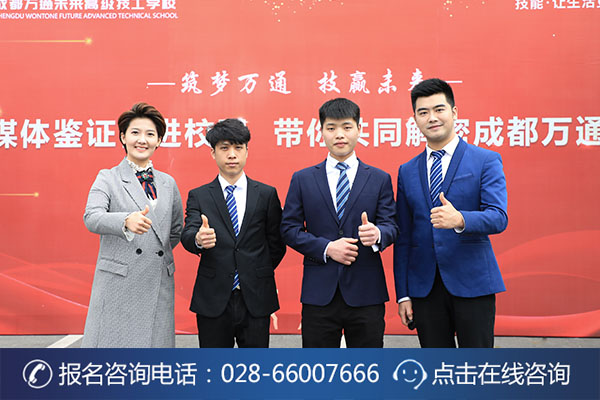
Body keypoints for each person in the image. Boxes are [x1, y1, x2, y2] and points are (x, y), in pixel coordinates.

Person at [394, 78, 508, 348]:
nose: (432, 118)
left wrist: (461, 220)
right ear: (415, 119)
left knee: (476, 367)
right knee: (437, 368)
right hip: (425, 288)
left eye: (439, 109)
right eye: (423, 112)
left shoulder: (485, 160)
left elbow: (498, 216)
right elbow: (403, 237)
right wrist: (403, 294)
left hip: (473, 282)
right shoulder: (407, 171)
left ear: (454, 112)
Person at [280, 98, 398, 348]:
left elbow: (392, 226)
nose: (339, 135)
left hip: (366, 292)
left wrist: (377, 234)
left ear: (359, 129)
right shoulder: (303, 179)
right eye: (331, 128)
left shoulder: (379, 179)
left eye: (347, 127)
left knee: (368, 367)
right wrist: (326, 248)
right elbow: (288, 229)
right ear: (321, 131)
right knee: (318, 368)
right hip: (319, 294)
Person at [82, 103, 183, 348]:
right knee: (113, 358)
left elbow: (175, 230)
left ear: (159, 141)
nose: (142, 140)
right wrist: (125, 221)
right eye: (135, 132)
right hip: (119, 281)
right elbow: (92, 217)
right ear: (123, 137)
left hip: (157, 279)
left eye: (150, 134)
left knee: (154, 359)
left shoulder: (168, 183)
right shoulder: (108, 177)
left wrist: (151, 250)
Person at [181, 118, 286, 348]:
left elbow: (276, 243)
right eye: (224, 148)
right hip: (213, 298)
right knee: (214, 366)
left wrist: (255, 270)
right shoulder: (199, 195)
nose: (232, 155)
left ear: (247, 151)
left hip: (256, 296)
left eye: (238, 148)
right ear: (213, 153)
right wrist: (198, 239)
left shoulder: (266, 194)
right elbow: (187, 234)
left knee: (256, 367)